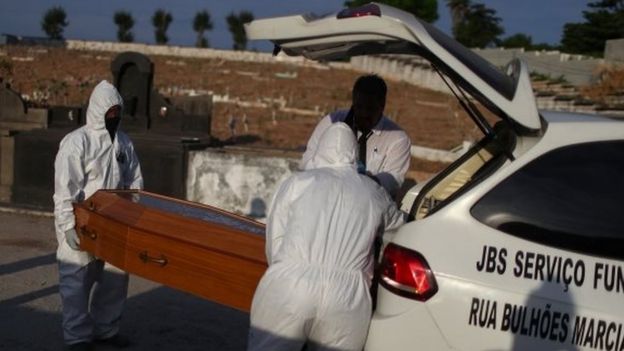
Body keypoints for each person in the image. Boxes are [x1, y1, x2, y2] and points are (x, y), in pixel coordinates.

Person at [248, 122, 405, 351]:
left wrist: (285, 271)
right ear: (354, 154)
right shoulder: (374, 192)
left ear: (321, 149)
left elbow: (276, 241)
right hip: (348, 298)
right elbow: (400, 231)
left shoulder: (297, 183)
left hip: (292, 282)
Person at [53, 80, 143, 351]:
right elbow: (64, 189)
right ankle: (77, 338)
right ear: (97, 111)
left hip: (115, 222)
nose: (114, 118)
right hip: (83, 222)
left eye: (118, 113)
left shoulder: (124, 142)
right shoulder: (77, 143)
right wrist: (67, 225)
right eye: (110, 113)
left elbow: (134, 182)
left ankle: (106, 330)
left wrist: (134, 216)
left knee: (116, 278)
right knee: (77, 279)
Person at [301, 74, 411, 198]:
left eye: (370, 109)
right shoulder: (333, 122)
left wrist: (363, 182)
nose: (363, 114)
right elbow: (307, 161)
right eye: (358, 107)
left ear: (382, 105)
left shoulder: (397, 139)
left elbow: (393, 179)